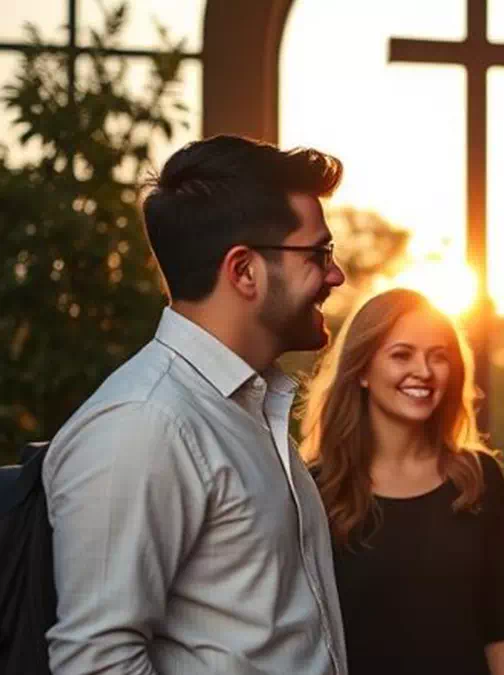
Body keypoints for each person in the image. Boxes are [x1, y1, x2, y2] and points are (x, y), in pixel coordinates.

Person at [41, 134, 350, 674]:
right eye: (318, 253)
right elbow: (97, 663)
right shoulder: (145, 423)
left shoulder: (249, 408)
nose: (335, 274)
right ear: (244, 271)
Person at [301, 288, 504, 675]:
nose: (423, 371)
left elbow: (500, 623)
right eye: (401, 354)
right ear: (363, 371)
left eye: (438, 356)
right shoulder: (317, 488)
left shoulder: (479, 478)